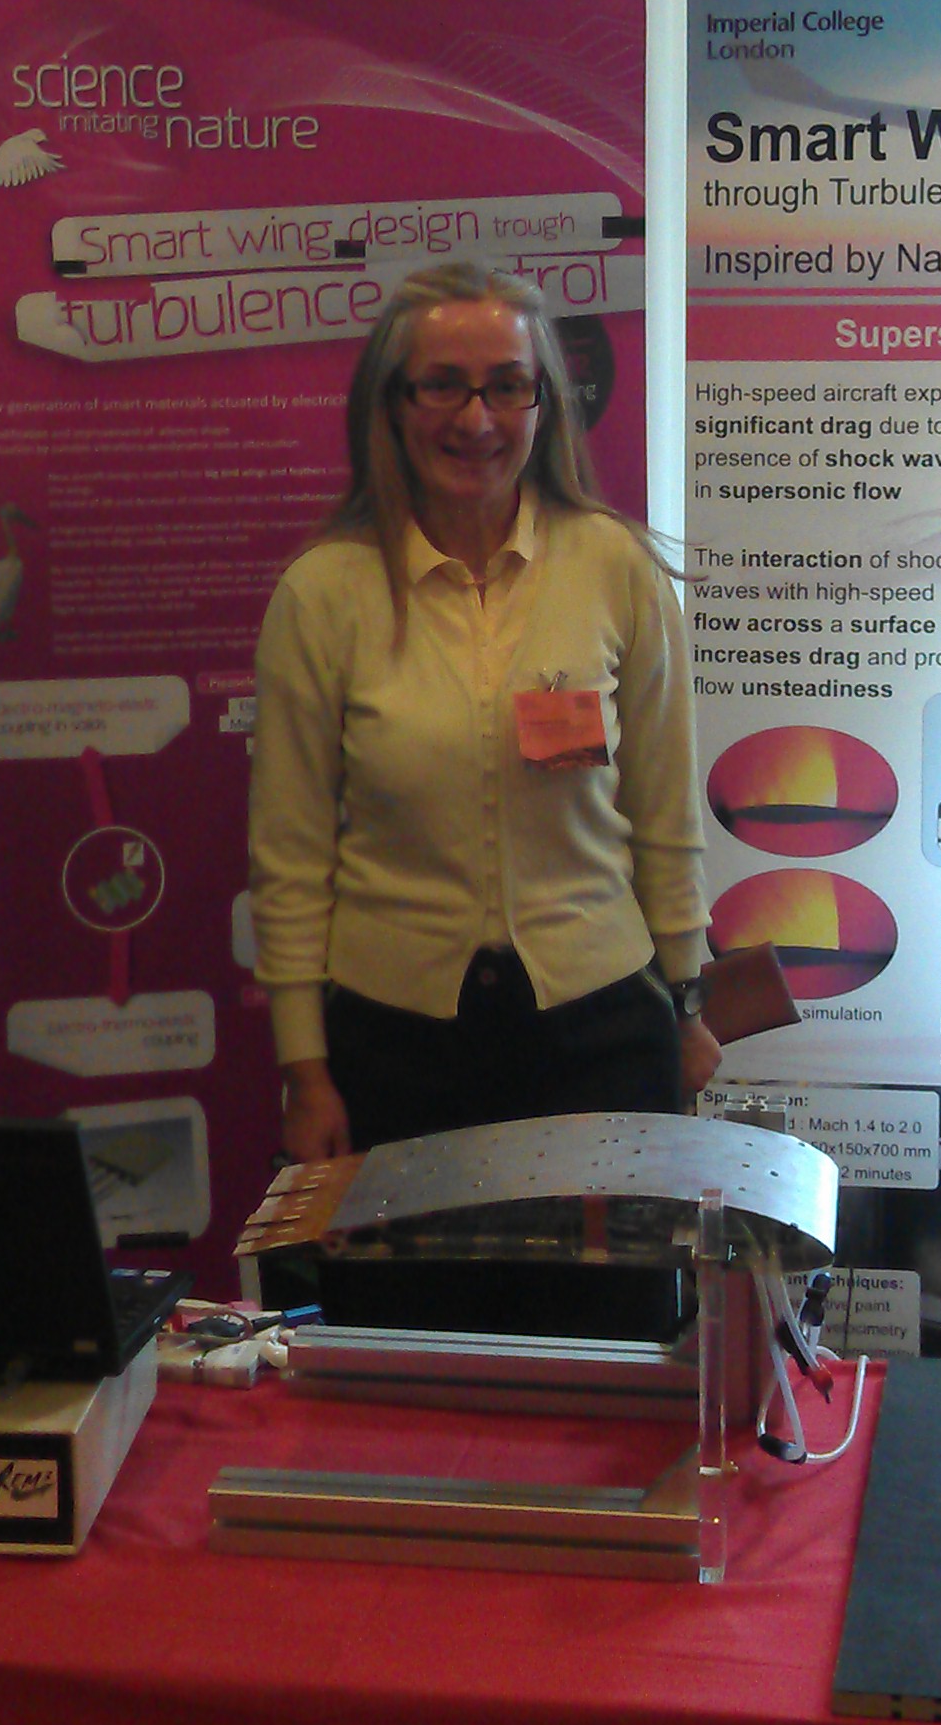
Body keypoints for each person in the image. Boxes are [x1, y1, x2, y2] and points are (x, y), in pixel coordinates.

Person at [249, 259, 721, 1167]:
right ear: (392, 403)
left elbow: (666, 815)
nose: (477, 420)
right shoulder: (324, 594)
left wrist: (688, 1000)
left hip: (603, 1030)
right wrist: (305, 1073)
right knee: (411, 1271)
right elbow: (290, 859)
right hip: (394, 1046)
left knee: (603, 1270)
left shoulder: (615, 569)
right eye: (443, 385)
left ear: (545, 404)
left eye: (507, 385)